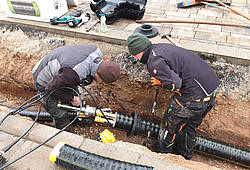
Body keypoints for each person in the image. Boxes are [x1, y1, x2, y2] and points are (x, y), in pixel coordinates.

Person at [126, 32, 220, 160]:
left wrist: (161, 81)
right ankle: (185, 158)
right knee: (189, 126)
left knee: (168, 125)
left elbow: (175, 84)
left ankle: (164, 156)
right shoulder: (161, 47)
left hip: (193, 98)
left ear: (141, 50)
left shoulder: (153, 61)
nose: (135, 59)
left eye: (135, 55)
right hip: (210, 92)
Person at [32, 44, 120, 129]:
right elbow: (50, 89)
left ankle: (75, 118)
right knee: (61, 115)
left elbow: (70, 76)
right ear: (97, 74)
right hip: (44, 80)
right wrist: (71, 98)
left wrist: (72, 98)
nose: (102, 83)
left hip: (62, 73)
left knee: (77, 102)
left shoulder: (96, 51)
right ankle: (62, 131)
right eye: (103, 81)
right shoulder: (73, 73)